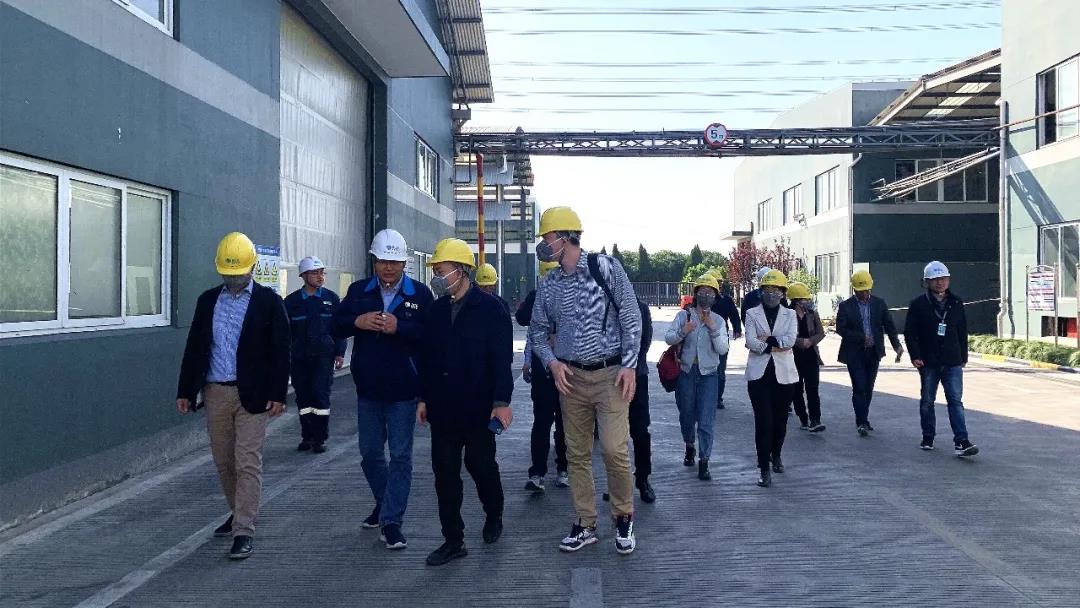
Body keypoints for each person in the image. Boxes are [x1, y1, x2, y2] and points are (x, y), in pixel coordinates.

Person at [529, 206, 642, 555]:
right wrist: (552, 363)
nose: (543, 244)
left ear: (566, 238)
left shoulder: (605, 267)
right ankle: (585, 523)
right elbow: (537, 331)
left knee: (613, 449)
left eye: (547, 237)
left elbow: (631, 317)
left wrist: (629, 366)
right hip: (571, 379)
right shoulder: (549, 284)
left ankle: (623, 516)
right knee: (576, 454)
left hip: (611, 376)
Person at [175, 232, 290, 560]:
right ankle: (238, 510)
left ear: (251, 268)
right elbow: (195, 347)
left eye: (238, 273)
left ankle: (243, 529)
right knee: (224, 461)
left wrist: (278, 393)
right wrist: (185, 391)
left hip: (252, 394)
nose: (233, 279)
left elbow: (281, 350)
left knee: (247, 460)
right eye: (228, 274)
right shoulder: (207, 301)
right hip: (215, 392)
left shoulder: (269, 303)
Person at [333, 229, 434, 550]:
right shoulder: (359, 292)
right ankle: (385, 501)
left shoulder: (420, 294)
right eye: (383, 262)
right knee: (370, 453)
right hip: (368, 390)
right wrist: (357, 321)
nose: (389, 268)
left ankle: (391, 522)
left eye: (395, 262)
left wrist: (399, 327)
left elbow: (432, 337)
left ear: (404, 263)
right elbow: (335, 325)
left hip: (404, 390)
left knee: (401, 456)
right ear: (374, 261)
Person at [417, 238, 513, 566]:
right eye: (435, 272)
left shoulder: (491, 310)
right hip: (443, 409)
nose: (437, 277)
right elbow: (427, 359)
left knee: (480, 465)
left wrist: (501, 402)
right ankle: (453, 540)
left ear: (461, 271)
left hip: (478, 407)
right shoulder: (435, 311)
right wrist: (423, 398)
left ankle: (494, 513)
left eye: (441, 271)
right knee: (444, 474)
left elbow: (501, 360)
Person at [904, 261, 979, 457]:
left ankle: (961, 441)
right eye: (936, 279)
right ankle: (928, 436)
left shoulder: (956, 303)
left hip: (952, 360)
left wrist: (963, 356)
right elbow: (910, 333)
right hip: (928, 361)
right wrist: (915, 355)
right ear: (927, 282)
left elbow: (962, 330)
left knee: (955, 401)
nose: (940, 282)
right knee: (928, 400)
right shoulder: (918, 304)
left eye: (944, 279)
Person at [665, 275, 730, 481]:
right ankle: (689, 445)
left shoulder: (718, 321)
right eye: (702, 291)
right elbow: (668, 338)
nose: (706, 295)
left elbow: (723, 348)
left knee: (706, 418)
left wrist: (712, 328)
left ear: (715, 296)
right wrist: (684, 331)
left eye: (710, 292)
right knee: (686, 414)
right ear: (695, 294)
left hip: (709, 375)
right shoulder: (684, 316)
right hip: (686, 372)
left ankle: (704, 461)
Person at [284, 256, 346, 453]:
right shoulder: (291, 302)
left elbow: (339, 328)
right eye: (315, 273)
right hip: (300, 358)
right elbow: (285, 333)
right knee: (303, 397)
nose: (320, 277)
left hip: (323, 357)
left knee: (320, 395)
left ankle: (320, 438)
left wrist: (340, 352)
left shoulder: (331, 299)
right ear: (303, 276)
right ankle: (307, 436)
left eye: (322, 272)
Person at [743, 269, 798, 488]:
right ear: (761, 291)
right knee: (763, 420)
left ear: (783, 293)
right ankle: (763, 467)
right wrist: (774, 345)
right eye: (767, 289)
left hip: (784, 375)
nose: (771, 293)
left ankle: (776, 454)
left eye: (776, 290)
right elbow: (750, 341)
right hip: (759, 376)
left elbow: (790, 340)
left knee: (780, 420)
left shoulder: (790, 315)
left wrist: (767, 341)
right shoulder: (751, 313)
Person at [518, 261, 569, 494]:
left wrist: (560, 335)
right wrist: (528, 359)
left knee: (564, 423)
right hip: (543, 370)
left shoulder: (574, 296)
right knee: (542, 422)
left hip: (568, 369)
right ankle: (538, 473)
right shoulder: (536, 296)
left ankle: (563, 469)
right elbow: (525, 323)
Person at [835, 270, 903, 436]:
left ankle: (864, 418)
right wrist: (860, 337)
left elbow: (889, 325)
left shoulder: (879, 304)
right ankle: (861, 422)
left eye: (866, 290)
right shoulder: (846, 306)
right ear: (854, 289)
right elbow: (841, 329)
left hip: (873, 352)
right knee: (859, 387)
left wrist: (896, 345)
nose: (864, 294)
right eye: (861, 291)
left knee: (868, 387)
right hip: (854, 353)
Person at [786, 282, 826, 433]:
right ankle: (803, 417)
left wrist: (811, 341)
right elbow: (783, 335)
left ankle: (815, 420)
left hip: (811, 356)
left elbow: (821, 332)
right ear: (796, 301)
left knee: (813, 389)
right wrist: (799, 342)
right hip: (793, 357)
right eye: (804, 299)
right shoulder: (786, 314)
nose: (807, 301)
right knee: (796, 390)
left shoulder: (812, 314)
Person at [709, 271, 742, 409]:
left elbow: (734, 315)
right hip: (703, 338)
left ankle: (717, 398)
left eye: (719, 282)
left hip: (721, 337)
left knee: (720, 369)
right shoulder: (701, 300)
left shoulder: (726, 300)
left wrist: (737, 329)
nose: (718, 285)